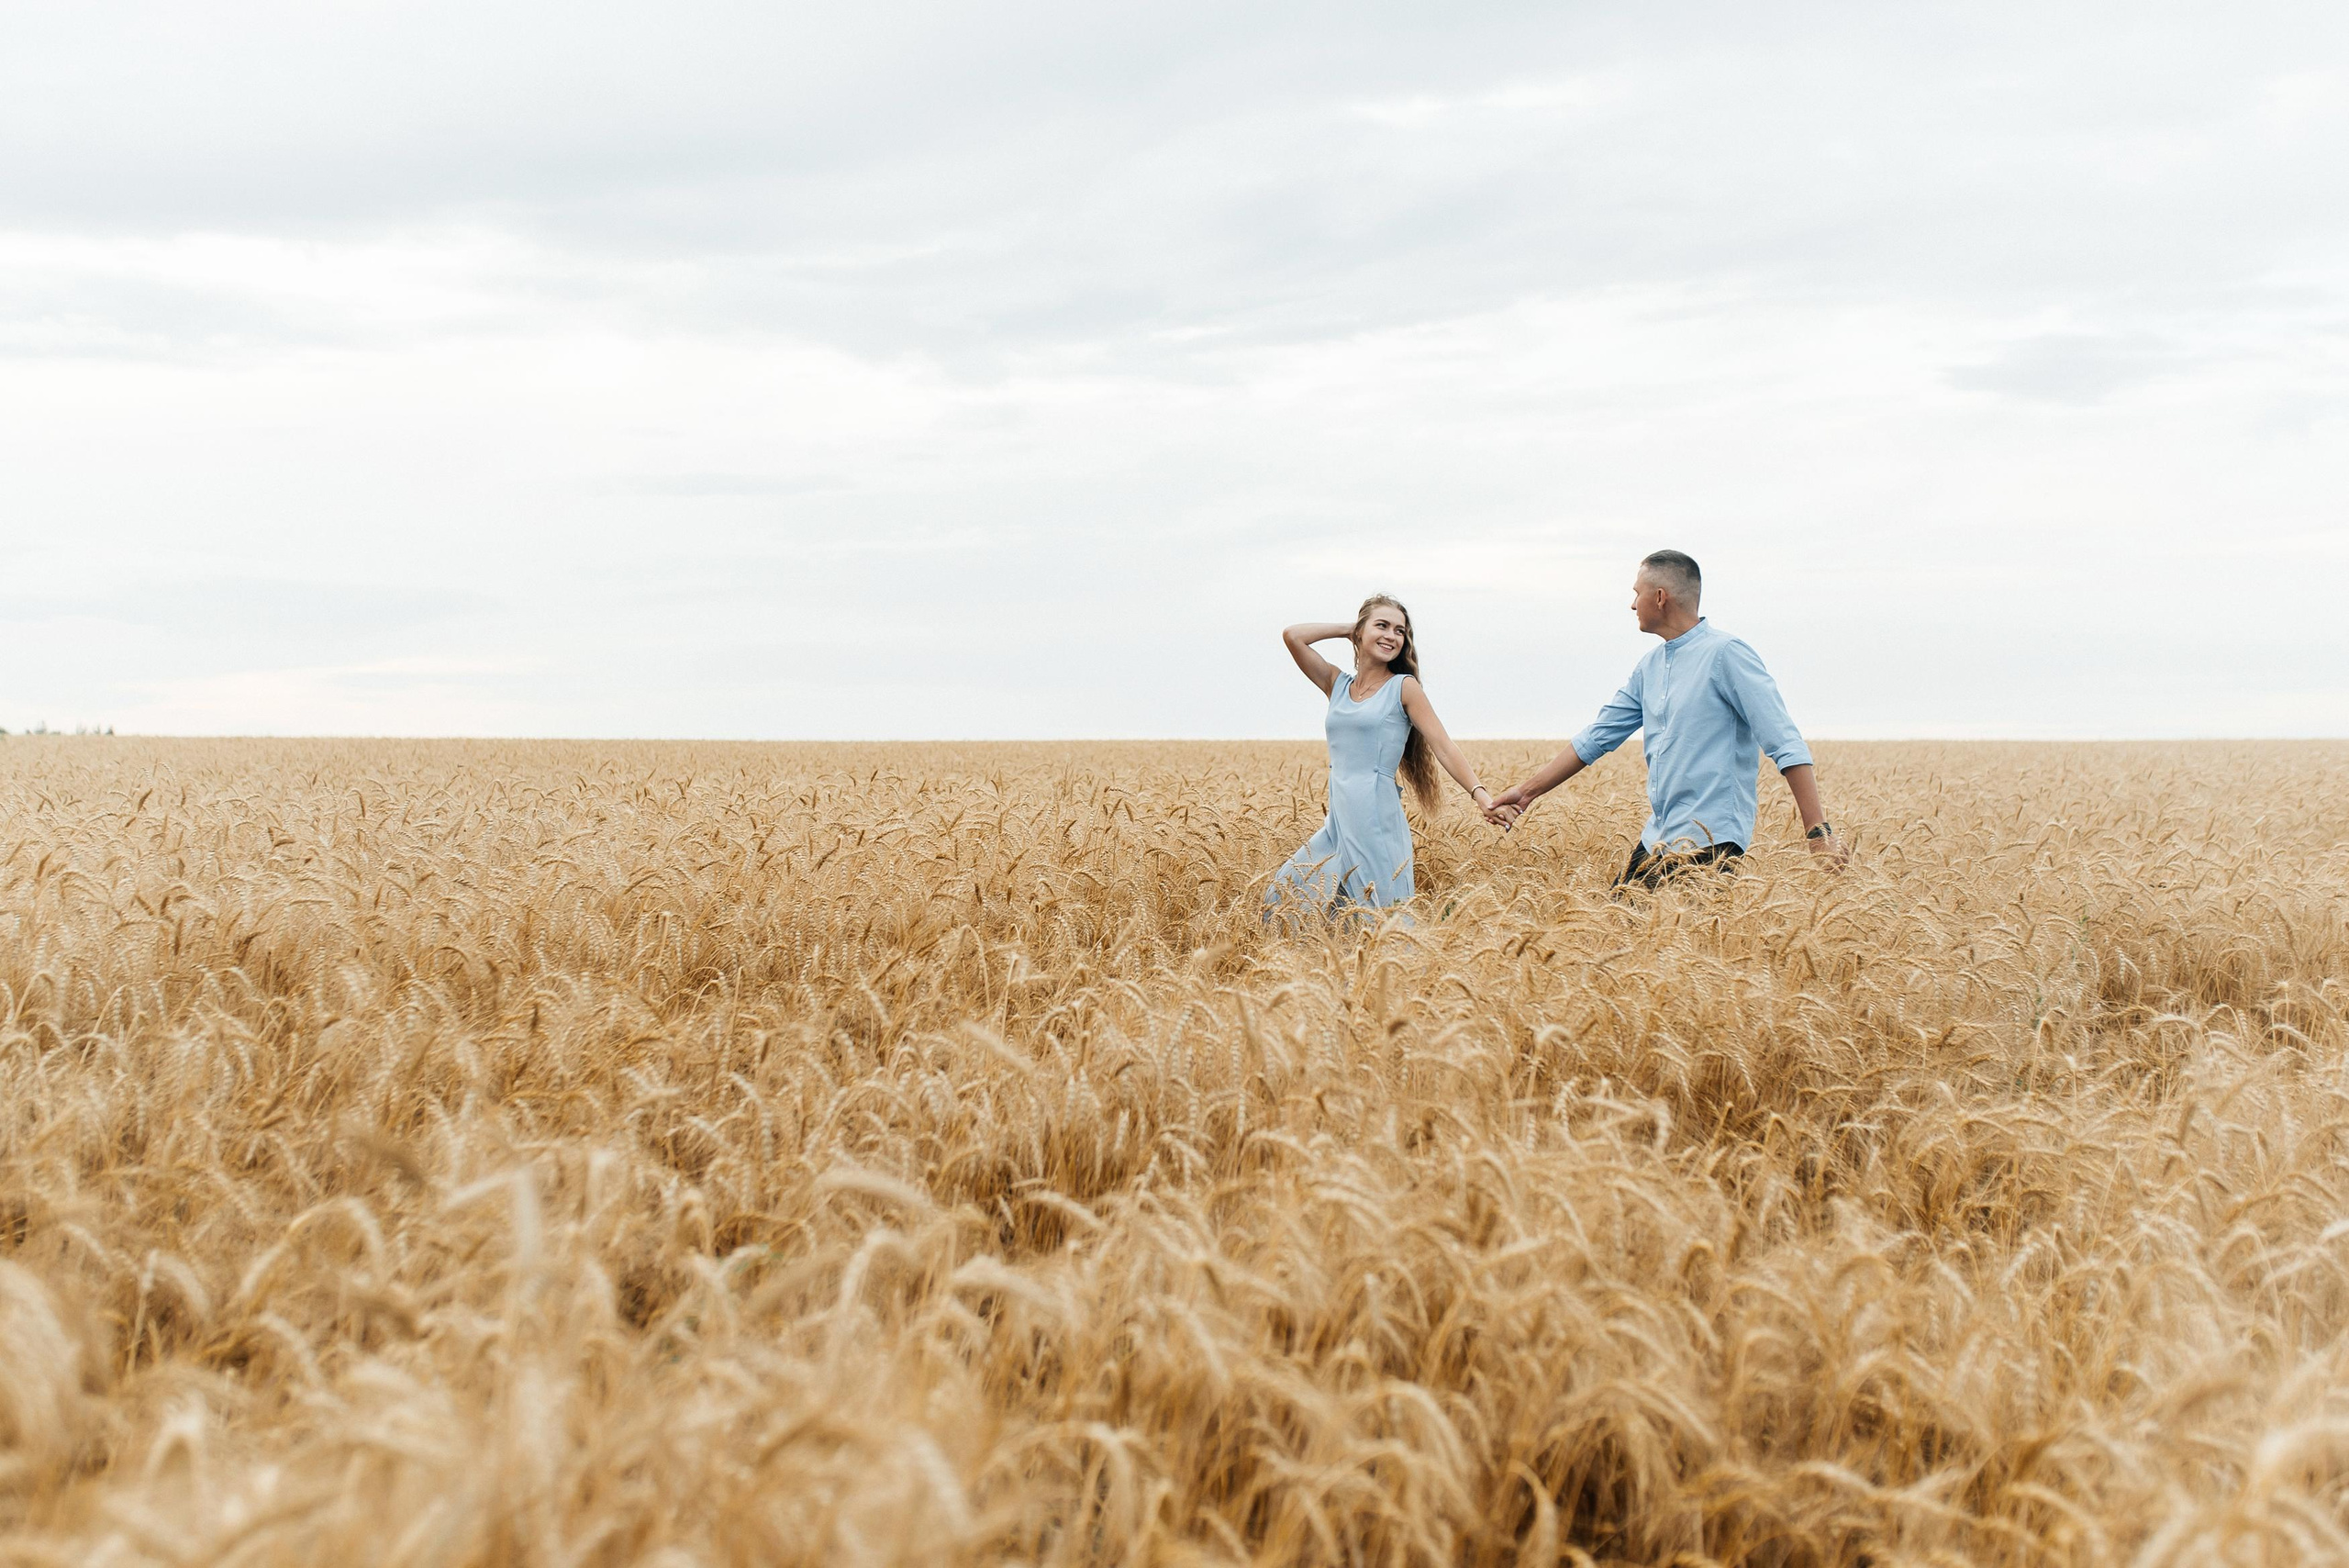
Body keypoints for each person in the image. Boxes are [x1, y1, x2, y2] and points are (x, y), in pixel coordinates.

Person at [1485, 550, 1845, 887]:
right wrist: (1527, 793)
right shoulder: (1650, 668)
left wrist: (1818, 833)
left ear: (1660, 597)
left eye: (1636, 593)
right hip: (1657, 837)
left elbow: (1784, 741)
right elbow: (1597, 737)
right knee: (1616, 930)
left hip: (1711, 840)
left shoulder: (1726, 655)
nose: (1631, 604)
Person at [1267, 595, 1497, 917]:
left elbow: (1443, 745)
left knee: (1383, 915)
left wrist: (1480, 795)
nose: (1392, 636)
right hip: (1338, 821)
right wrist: (1353, 628)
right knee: (1284, 895)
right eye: (1383, 626)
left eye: (1400, 631)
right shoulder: (1336, 683)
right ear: (1361, 632)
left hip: (1376, 819)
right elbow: (1293, 635)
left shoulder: (1404, 688)